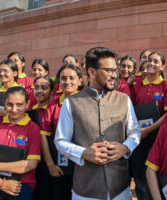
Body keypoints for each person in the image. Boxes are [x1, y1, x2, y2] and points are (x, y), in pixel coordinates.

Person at [54, 47, 141, 200]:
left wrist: (125, 148)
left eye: (115, 70)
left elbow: (135, 132)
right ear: (92, 72)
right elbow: (60, 141)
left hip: (120, 189)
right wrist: (84, 153)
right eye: (108, 70)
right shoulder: (71, 102)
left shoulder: (124, 99)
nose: (114, 75)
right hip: (85, 190)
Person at [131, 51, 167, 200]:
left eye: (156, 61)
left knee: (155, 175)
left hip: (157, 137)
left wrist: (149, 130)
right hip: (139, 137)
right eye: (150, 60)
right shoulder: (136, 86)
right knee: (140, 177)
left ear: (162, 66)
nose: (151, 63)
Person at [0, 86, 41, 200]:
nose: (14, 109)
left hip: (20, 184)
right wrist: (0, 183)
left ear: (28, 104)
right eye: (10, 104)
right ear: (4, 103)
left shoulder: (33, 129)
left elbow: (31, 164)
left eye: (19, 104)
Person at [39, 64, 82, 200]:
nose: (67, 82)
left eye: (72, 78)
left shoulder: (88, 102)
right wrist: (50, 165)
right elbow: (44, 136)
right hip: (60, 166)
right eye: (63, 78)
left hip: (84, 165)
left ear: (80, 80)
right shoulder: (53, 104)